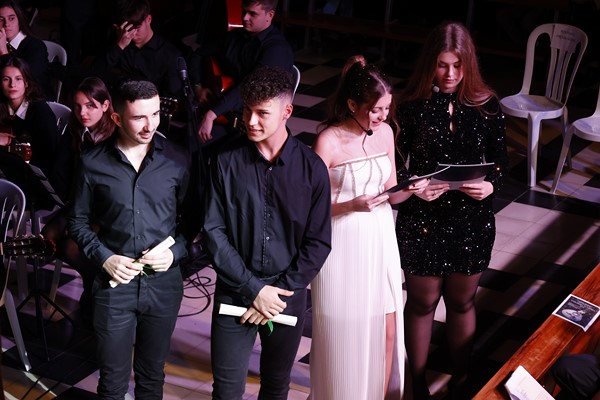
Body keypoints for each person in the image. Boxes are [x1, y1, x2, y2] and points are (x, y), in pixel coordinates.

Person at [395, 21, 508, 399]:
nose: (449, 74)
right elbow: (393, 165)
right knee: (421, 303)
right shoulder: (410, 106)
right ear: (430, 63)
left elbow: (501, 163)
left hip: (471, 219)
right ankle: (417, 384)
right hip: (422, 218)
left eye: (457, 66)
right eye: (442, 65)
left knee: (462, 302)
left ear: (468, 64)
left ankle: (462, 380)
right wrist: (414, 185)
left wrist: (491, 185)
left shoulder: (487, 105)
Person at [203, 65, 331, 400]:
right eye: (247, 110)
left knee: (276, 386)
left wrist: (275, 293)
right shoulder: (224, 161)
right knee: (226, 391)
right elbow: (213, 232)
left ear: (286, 112)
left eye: (262, 113)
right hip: (235, 291)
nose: (250, 120)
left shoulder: (312, 169)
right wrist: (253, 289)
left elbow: (318, 242)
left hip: (286, 296)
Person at [308, 55, 427, 399]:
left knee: (387, 330)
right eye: (376, 110)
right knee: (344, 335)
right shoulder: (328, 141)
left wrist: (411, 189)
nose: (383, 116)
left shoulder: (385, 133)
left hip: (380, 238)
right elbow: (308, 209)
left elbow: (392, 194)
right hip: (342, 242)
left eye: (387, 108)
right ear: (351, 104)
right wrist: (351, 205)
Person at [67, 80, 191, 399]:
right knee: (112, 382)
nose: (150, 125)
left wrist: (175, 252)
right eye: (139, 118)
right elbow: (77, 222)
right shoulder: (92, 162)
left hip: (164, 284)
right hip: (113, 287)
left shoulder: (178, 159)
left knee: (151, 377)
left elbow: (194, 222)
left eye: (155, 114)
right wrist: (104, 257)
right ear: (117, 118)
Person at [43, 76, 115, 318]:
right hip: (78, 203)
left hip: (104, 209)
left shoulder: (115, 136)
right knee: (48, 237)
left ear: (105, 105)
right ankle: (93, 277)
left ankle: (94, 285)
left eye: (90, 106)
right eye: (77, 106)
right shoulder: (75, 131)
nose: (82, 112)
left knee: (72, 247)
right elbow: (60, 173)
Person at [192, 0, 293, 146]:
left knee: (196, 147)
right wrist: (198, 87)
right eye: (244, 11)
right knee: (185, 140)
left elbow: (250, 87)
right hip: (225, 112)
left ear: (269, 15)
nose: (245, 18)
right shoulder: (234, 36)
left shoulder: (277, 49)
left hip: (251, 124)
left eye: (252, 14)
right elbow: (198, 55)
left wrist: (212, 114)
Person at [91, 0, 182, 98]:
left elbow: (171, 96)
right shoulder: (118, 41)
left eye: (137, 28)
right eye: (128, 30)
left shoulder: (170, 55)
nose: (133, 35)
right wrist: (120, 46)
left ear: (149, 19)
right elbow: (92, 75)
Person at [0, 56, 58, 178]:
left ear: (26, 83)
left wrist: (10, 142)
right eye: (6, 79)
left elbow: (46, 157)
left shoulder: (41, 113)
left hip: (32, 175)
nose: (12, 84)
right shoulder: (3, 106)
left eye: (18, 79)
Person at [0, 0, 52, 99]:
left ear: (19, 20)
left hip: (33, 99)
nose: (6, 24)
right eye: (1, 19)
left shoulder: (36, 46)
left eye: (11, 18)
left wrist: (3, 52)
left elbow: (22, 83)